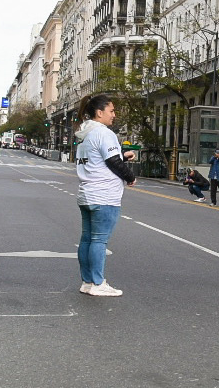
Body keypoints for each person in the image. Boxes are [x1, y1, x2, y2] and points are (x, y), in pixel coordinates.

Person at [74, 93, 136, 297]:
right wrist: (129, 177)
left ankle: (87, 281)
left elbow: (99, 160)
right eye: (111, 110)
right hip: (104, 195)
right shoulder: (104, 133)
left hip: (87, 193)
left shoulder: (85, 134)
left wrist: (122, 156)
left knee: (87, 239)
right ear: (99, 113)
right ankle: (99, 283)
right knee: (99, 240)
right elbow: (113, 162)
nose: (114, 115)